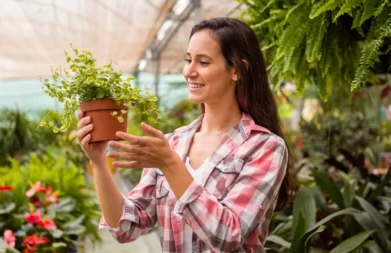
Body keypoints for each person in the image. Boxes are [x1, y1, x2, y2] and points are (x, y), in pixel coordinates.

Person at [77, 17, 297, 253]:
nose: (188, 71)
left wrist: (170, 164)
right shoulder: (173, 142)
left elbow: (228, 235)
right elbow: (126, 227)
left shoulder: (264, 147)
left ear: (236, 70)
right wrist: (98, 162)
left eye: (203, 62)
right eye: (188, 60)